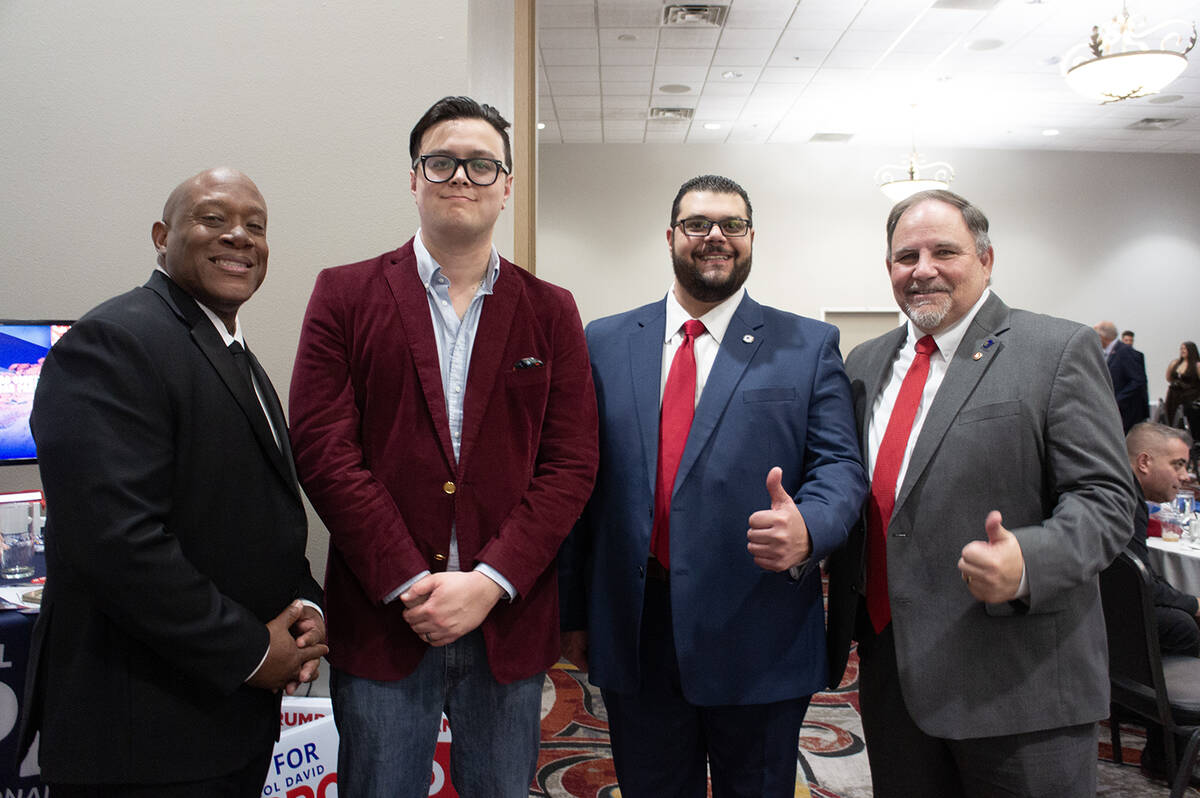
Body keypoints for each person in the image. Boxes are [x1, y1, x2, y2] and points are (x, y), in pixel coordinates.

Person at [288, 96, 598, 798]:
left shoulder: (552, 311)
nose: (462, 176)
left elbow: (570, 464)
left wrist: (488, 582)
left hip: (507, 624)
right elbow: (322, 449)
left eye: (483, 164)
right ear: (414, 177)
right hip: (384, 620)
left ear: (508, 184)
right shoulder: (344, 295)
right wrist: (410, 581)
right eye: (442, 161)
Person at [18, 167, 327, 797]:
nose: (239, 237)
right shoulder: (115, 341)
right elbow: (118, 543)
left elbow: (262, 514)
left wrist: (307, 609)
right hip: (142, 737)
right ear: (163, 235)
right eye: (214, 219)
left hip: (222, 726)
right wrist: (249, 650)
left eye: (256, 226)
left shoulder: (234, 353)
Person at [559, 174, 867, 797]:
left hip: (758, 624)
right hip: (636, 628)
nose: (715, 237)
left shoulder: (807, 345)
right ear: (670, 236)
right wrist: (572, 611)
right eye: (698, 224)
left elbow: (840, 466)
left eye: (732, 225)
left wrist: (809, 527)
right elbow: (578, 485)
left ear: (751, 238)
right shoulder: (605, 341)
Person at [826, 189, 1135, 797]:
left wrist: (1030, 560)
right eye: (905, 256)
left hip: (1018, 682)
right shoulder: (863, 362)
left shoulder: (1055, 350)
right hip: (893, 674)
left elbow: (1107, 500)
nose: (923, 269)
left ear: (987, 259)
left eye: (945, 251)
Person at [1124, 421, 1198, 781]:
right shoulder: (1126, 500)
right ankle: (1170, 755)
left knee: (1179, 621)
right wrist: (1192, 603)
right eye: (1178, 465)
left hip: (1112, 618)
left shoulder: (1121, 492)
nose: (1185, 476)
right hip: (1110, 623)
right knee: (1182, 625)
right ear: (1144, 462)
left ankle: (1166, 753)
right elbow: (1140, 582)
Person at [1096, 319, 1149, 432]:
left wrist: (1117, 399)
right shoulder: (1110, 353)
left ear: (1102, 336)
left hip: (1127, 412)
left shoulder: (1125, 351)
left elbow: (1138, 380)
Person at [1165, 341, 1200, 431]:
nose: (1182, 351)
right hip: (1174, 397)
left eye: (1185, 349)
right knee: (1172, 419)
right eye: (1181, 348)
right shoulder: (1176, 363)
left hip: (1189, 397)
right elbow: (1169, 377)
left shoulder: (1197, 365)